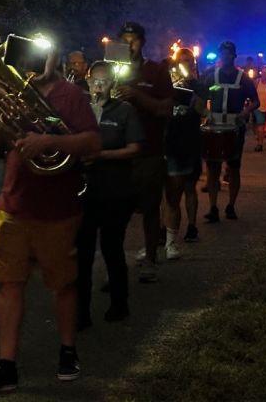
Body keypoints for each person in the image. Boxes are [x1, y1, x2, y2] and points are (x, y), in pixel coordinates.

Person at [0, 44, 100, 397]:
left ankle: (67, 351)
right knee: (8, 285)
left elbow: (92, 142)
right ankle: (6, 365)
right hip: (12, 205)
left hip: (56, 207)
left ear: (54, 59)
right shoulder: (11, 90)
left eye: (41, 56)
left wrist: (49, 139)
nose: (33, 63)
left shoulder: (71, 94)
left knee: (62, 284)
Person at [77, 61, 144, 330]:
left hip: (116, 190)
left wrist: (102, 155)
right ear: (88, 80)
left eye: (105, 81)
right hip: (85, 191)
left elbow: (135, 147)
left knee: (111, 247)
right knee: (82, 252)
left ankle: (119, 303)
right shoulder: (80, 109)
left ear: (112, 84)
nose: (99, 86)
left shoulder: (125, 110)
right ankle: (81, 310)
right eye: (95, 80)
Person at [114, 22, 172, 284]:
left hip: (149, 150)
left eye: (134, 40)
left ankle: (150, 259)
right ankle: (116, 267)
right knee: (114, 213)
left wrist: (136, 96)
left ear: (142, 42)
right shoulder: (110, 69)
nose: (129, 45)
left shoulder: (156, 71)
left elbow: (165, 109)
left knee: (149, 208)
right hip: (115, 153)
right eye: (124, 39)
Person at [201, 41, 258, 223]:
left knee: (234, 167)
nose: (225, 57)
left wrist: (245, 112)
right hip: (215, 124)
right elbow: (199, 98)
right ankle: (213, 207)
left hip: (235, 125)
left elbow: (255, 101)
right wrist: (206, 113)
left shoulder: (243, 78)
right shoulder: (211, 76)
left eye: (228, 54)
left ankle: (231, 206)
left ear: (233, 56)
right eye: (223, 54)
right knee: (212, 167)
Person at [163, 48, 205, 253]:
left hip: (191, 141)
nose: (185, 64)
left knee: (190, 187)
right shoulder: (168, 83)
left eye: (188, 61)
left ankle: (192, 226)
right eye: (182, 60)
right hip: (172, 141)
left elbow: (202, 108)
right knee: (171, 192)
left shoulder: (198, 84)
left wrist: (191, 86)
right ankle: (167, 235)